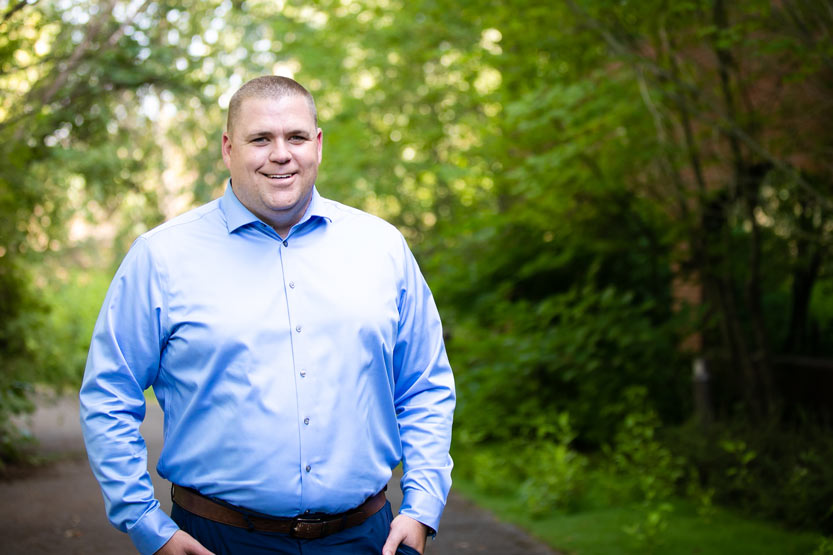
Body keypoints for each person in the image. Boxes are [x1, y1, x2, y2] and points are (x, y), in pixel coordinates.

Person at [79, 75, 455, 555]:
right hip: (215, 540)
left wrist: (422, 506)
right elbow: (109, 394)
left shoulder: (382, 248)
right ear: (228, 148)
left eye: (295, 137)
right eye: (261, 139)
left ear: (317, 145)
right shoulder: (161, 257)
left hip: (367, 539)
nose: (281, 154)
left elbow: (425, 385)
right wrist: (149, 527)